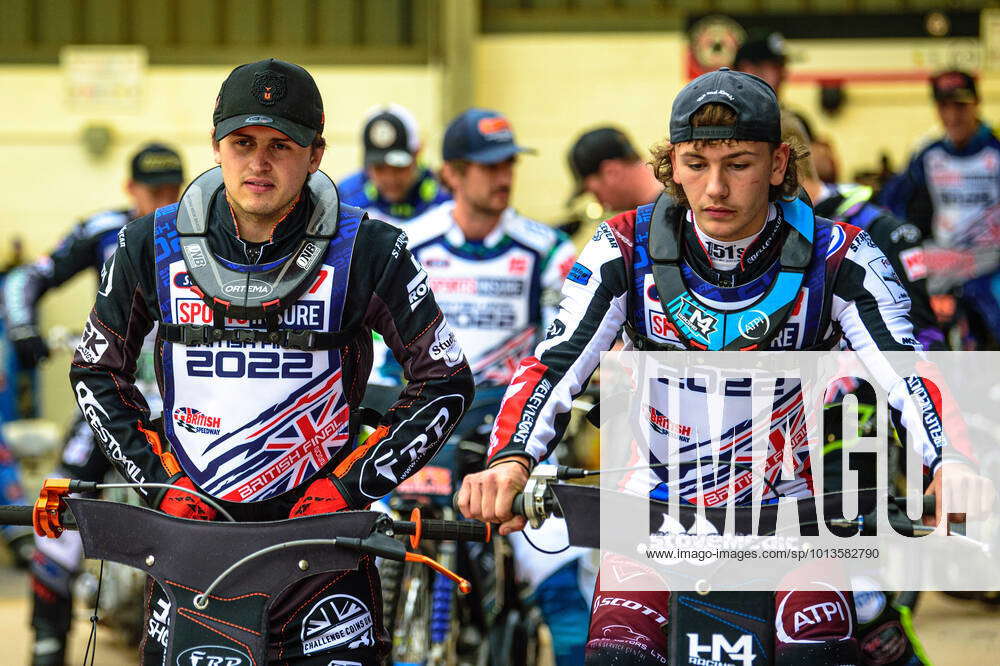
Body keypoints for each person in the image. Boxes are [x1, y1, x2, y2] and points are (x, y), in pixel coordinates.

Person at [459, 68, 981, 665]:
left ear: (779, 164)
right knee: (615, 659)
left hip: (795, 517)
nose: (715, 188)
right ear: (671, 166)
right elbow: (555, 364)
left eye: (738, 163)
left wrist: (953, 462)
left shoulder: (844, 256)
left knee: (821, 659)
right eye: (696, 162)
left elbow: (906, 370)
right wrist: (511, 458)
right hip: (652, 509)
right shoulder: (620, 248)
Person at [68, 58, 474, 665]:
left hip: (323, 547)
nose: (259, 162)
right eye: (242, 142)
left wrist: (349, 485)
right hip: (192, 538)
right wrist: (160, 482)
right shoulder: (146, 244)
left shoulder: (371, 248)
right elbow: (96, 372)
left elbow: (445, 382)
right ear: (215, 146)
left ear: (315, 155)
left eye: (281, 145)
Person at [407, 108, 588, 664]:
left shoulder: (547, 249)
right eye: (487, 166)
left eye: (508, 162)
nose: (503, 176)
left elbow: (570, 343)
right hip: (420, 429)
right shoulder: (406, 244)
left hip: (513, 437)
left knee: (569, 602)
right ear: (452, 175)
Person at [1, 142, 184, 666]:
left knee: (200, 519)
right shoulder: (104, 230)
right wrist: (21, 327)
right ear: (130, 190)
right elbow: (26, 277)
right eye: (154, 191)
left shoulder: (211, 228)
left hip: (186, 410)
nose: (164, 199)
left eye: (173, 189)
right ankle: (47, 643)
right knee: (57, 505)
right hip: (112, 401)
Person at [783, 112, 944, 351]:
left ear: (779, 163)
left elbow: (924, 338)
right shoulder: (758, 241)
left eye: (740, 164)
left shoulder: (885, 232)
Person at [881, 70, 1000, 348]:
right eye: (944, 106)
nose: (952, 116)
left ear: (976, 103)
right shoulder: (928, 153)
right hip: (944, 256)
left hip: (991, 258)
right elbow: (895, 204)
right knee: (900, 295)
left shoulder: (995, 150)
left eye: (959, 106)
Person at [338, 104, 451, 226]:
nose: (390, 178)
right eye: (379, 168)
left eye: (399, 168)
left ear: (418, 152)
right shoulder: (346, 199)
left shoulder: (446, 196)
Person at [567, 126, 663, 212]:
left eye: (596, 193)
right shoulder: (671, 200)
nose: (600, 205)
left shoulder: (665, 217)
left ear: (611, 172)